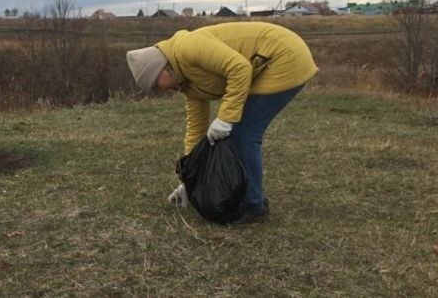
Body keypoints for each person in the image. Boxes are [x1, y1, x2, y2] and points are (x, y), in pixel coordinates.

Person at [126, 21, 318, 223]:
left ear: (162, 69)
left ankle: (254, 206)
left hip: (283, 56)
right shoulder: (186, 84)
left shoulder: (188, 48)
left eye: (156, 85)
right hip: (264, 65)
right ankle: (251, 199)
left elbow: (239, 68)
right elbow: (196, 128)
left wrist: (226, 118)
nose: (161, 90)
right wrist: (191, 179)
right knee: (240, 133)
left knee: (243, 135)